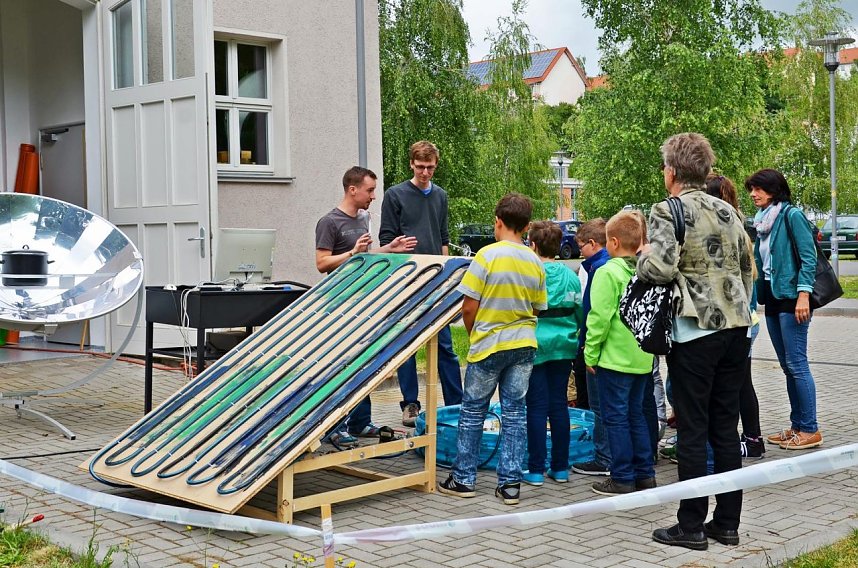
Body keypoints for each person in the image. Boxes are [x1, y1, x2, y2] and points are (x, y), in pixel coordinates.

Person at [640, 133, 753, 551]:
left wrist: (641, 257)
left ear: (671, 171)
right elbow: (747, 267)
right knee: (726, 426)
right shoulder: (728, 209)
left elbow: (660, 268)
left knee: (692, 428)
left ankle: (690, 524)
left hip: (695, 329)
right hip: (736, 327)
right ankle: (727, 523)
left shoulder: (667, 210)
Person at [438, 193, 547, 505]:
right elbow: (537, 308)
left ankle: (463, 478)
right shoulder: (535, 262)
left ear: (498, 222)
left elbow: (468, 307)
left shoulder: (486, 256)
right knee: (515, 413)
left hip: (489, 344)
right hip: (523, 344)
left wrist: (475, 334)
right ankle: (510, 484)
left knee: (473, 411)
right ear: (526, 226)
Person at [315, 166, 417, 445]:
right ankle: (335, 427)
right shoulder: (329, 222)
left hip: (363, 303)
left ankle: (361, 422)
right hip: (339, 304)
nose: (373, 196)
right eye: (370, 190)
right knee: (341, 366)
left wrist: (389, 249)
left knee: (363, 363)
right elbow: (322, 263)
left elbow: (364, 256)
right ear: (353, 190)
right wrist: (352, 252)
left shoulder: (363, 219)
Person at [379, 140, 463, 427]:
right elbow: (386, 239)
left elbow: (443, 236)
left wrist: (448, 275)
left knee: (445, 347)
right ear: (411, 165)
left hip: (436, 281)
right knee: (407, 346)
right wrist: (398, 252)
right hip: (407, 281)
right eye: (420, 167)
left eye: (430, 167)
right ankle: (410, 404)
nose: (425, 172)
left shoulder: (440, 195)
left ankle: (457, 404)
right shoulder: (395, 195)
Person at [745, 168, 822, 450]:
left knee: (798, 364)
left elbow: (808, 258)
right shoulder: (763, 220)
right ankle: (797, 425)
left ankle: (810, 428)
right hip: (774, 298)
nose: (753, 194)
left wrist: (804, 295)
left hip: (793, 299)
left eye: (758, 189)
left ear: (774, 190)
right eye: (751, 189)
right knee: (788, 366)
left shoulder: (792, 215)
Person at [584, 211, 656, 496]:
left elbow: (599, 318)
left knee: (615, 418)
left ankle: (622, 476)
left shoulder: (607, 272)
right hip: (642, 357)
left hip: (614, 359)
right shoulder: (647, 272)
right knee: (636, 416)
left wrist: (590, 353)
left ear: (613, 242)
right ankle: (645, 474)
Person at [706, 173, 764, 460]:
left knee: (738, 385)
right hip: (745, 318)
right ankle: (749, 438)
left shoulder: (724, 229)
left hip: (737, 320)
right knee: (740, 383)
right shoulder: (738, 224)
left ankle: (751, 440)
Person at [522, 221, 583, 487]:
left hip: (535, 346)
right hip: (564, 346)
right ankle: (560, 467)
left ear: (533, 245)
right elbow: (579, 311)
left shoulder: (530, 274)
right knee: (558, 405)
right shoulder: (571, 276)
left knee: (536, 406)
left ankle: (535, 469)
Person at [570, 219, 612, 477]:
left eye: (581, 246)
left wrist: (588, 348)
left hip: (598, 348)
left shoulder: (599, 269)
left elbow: (595, 313)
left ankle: (604, 457)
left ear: (593, 244)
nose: (580, 252)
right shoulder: (613, 264)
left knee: (599, 406)